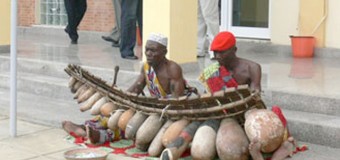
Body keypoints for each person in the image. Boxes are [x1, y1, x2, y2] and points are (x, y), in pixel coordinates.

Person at [62, 33, 191, 144]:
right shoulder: (146, 67)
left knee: (131, 124)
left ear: (164, 52)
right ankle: (86, 127)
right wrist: (119, 97)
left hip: (169, 110)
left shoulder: (173, 69)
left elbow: (177, 101)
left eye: (153, 50)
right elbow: (135, 89)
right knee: (117, 109)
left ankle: (101, 136)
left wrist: (152, 108)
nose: (148, 54)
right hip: (154, 106)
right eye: (146, 50)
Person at [199, 31, 295, 160]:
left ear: (234, 50)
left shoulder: (253, 67)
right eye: (215, 52)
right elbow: (208, 96)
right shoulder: (211, 72)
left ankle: (275, 152)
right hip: (226, 114)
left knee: (269, 128)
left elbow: (255, 94)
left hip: (249, 110)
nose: (217, 56)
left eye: (222, 52)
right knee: (231, 149)